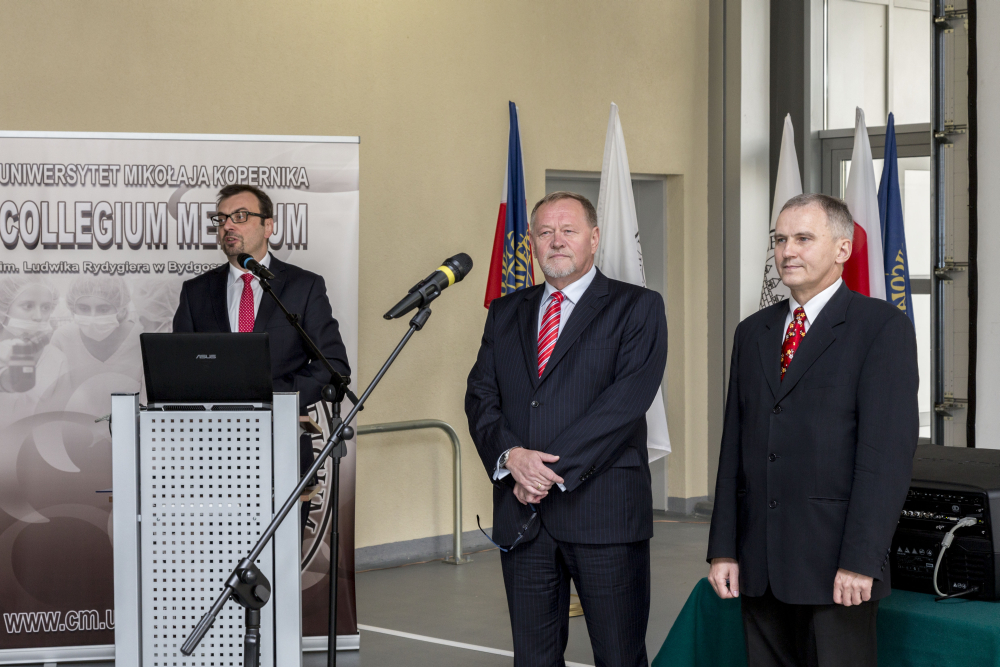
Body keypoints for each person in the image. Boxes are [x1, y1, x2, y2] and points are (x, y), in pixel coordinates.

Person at [706, 193, 919, 667]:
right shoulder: (752, 332)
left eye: (804, 238)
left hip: (836, 566)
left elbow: (884, 460)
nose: (788, 251)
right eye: (780, 239)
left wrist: (861, 560)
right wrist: (723, 549)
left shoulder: (881, 328)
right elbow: (734, 449)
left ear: (842, 249)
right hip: (759, 563)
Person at [466, 191, 668, 666]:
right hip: (523, 518)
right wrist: (512, 457)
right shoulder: (506, 310)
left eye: (568, 230)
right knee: (533, 658)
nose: (556, 241)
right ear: (532, 243)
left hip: (603, 514)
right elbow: (481, 396)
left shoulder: (636, 306)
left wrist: (541, 473)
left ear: (593, 239)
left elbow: (623, 404)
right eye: (545, 232)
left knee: (619, 656)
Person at [172, 184, 350, 509]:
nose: (228, 225)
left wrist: (273, 395)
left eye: (240, 216)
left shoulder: (303, 286)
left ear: (269, 226)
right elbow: (179, 371)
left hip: (283, 448)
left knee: (282, 542)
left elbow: (333, 366)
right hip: (211, 457)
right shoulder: (196, 292)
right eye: (221, 218)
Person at [50, 274, 143, 413]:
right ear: (72, 307)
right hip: (76, 424)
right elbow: (55, 400)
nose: (92, 317)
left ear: (121, 308)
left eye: (103, 309)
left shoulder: (140, 339)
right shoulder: (63, 338)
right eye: (84, 308)